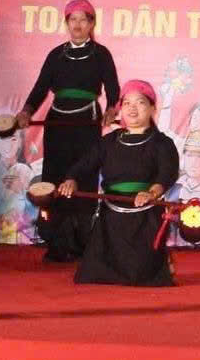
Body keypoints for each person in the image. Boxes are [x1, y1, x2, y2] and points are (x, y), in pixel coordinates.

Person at [15, 0, 120, 262]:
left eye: (84, 19)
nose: (78, 24)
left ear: (92, 24)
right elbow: (40, 88)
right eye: (73, 19)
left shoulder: (101, 54)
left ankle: (83, 243)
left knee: (83, 178)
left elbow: (113, 88)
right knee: (55, 178)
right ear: (66, 23)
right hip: (57, 125)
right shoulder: (56, 55)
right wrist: (27, 111)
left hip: (87, 123)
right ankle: (57, 243)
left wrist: (111, 109)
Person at [60, 79, 179, 286]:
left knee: (144, 277)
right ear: (121, 109)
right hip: (110, 214)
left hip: (145, 214)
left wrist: (151, 194)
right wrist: (71, 179)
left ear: (152, 108)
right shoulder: (109, 141)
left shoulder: (162, 143)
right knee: (91, 275)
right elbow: (84, 164)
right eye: (127, 103)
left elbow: (167, 174)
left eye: (140, 103)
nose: (132, 109)